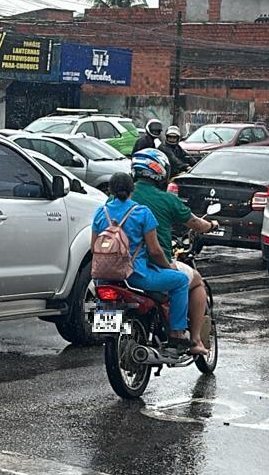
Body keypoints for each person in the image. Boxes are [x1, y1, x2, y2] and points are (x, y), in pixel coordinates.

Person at [92, 171, 198, 354]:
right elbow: (155, 251)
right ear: (132, 189)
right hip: (135, 276)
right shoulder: (141, 212)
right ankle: (176, 334)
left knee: (103, 297)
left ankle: (107, 328)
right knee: (180, 280)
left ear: (110, 190)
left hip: (103, 277)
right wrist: (169, 266)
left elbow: (94, 246)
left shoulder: (101, 212)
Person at [128, 148, 218, 355]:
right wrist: (212, 224)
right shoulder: (165, 201)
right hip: (147, 268)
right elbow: (194, 225)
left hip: (116, 268)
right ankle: (191, 339)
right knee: (195, 282)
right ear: (160, 171)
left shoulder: (115, 202)